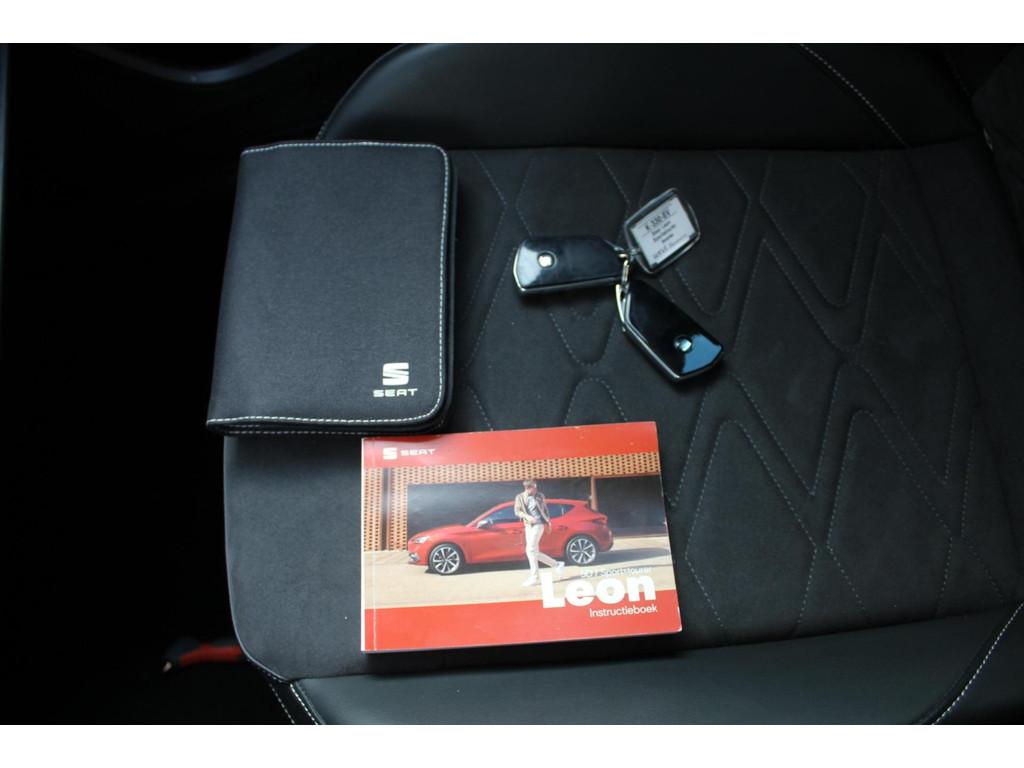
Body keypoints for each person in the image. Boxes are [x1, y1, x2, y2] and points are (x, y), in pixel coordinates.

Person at [513, 479, 565, 587]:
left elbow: (545, 510)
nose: (536, 488)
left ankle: (534, 578)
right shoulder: (520, 497)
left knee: (530, 550)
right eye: (534, 487)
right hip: (528, 526)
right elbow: (517, 511)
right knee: (533, 552)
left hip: (538, 525)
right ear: (528, 488)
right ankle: (557, 564)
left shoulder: (540, 496)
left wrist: (548, 523)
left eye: (536, 486)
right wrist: (527, 516)